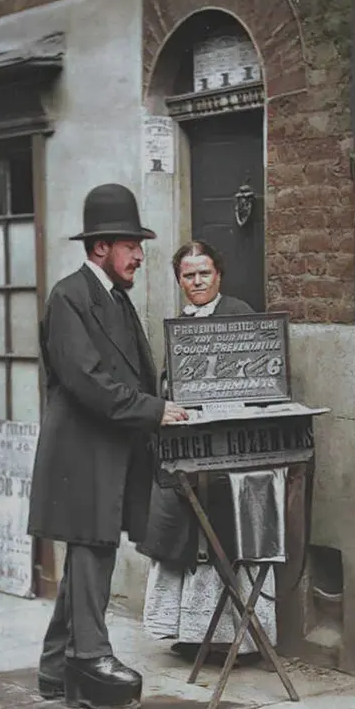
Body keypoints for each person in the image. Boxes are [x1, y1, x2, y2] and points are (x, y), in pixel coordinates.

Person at [27, 183, 188, 709]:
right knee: (91, 549)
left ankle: (56, 667)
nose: (141, 255)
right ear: (101, 248)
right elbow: (88, 381)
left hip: (109, 451)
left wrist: (159, 406)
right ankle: (88, 657)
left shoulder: (113, 298)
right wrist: (154, 410)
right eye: (130, 244)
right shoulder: (70, 296)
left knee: (90, 550)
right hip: (83, 451)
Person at [139, 240, 278, 661]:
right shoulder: (179, 324)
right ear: (179, 280)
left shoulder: (238, 316)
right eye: (188, 275)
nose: (196, 281)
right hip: (191, 447)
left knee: (229, 537)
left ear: (218, 276)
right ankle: (193, 634)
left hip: (231, 452)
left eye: (204, 273)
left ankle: (240, 638)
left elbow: (259, 373)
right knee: (189, 536)